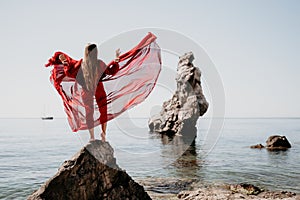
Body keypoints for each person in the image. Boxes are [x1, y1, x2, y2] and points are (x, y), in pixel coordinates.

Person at [45, 32, 161, 143]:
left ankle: (97, 136)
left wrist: (115, 60)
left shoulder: (88, 63)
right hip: (94, 88)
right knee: (97, 112)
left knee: (95, 112)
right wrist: (65, 63)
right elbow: (108, 72)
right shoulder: (91, 63)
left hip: (90, 89)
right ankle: (98, 135)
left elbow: (72, 73)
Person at [58, 45, 120, 141]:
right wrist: (116, 60)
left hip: (87, 89)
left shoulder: (82, 64)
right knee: (102, 111)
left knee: (90, 112)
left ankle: (93, 136)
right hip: (97, 87)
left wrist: (65, 63)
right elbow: (111, 71)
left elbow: (70, 73)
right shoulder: (98, 63)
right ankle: (102, 134)